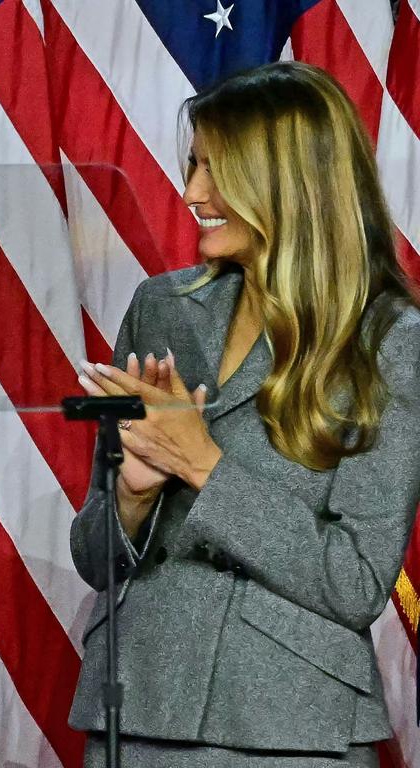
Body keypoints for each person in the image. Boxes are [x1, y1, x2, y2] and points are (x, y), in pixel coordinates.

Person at [69, 61, 420, 767]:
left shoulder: (391, 342)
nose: (192, 192)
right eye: (193, 165)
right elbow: (94, 556)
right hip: (135, 710)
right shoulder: (161, 308)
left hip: (290, 729)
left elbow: (356, 582)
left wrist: (205, 467)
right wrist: (132, 499)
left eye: (215, 170)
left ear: (290, 183)